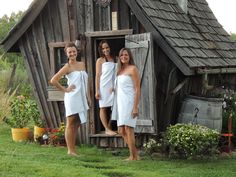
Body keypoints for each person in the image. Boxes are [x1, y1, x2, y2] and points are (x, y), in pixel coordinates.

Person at [50, 42, 90, 157]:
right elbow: (53, 80)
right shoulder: (67, 67)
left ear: (77, 51)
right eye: (70, 52)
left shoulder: (82, 64)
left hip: (82, 98)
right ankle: (70, 150)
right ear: (66, 54)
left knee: (77, 123)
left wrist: (88, 97)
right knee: (71, 123)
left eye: (74, 51)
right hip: (72, 97)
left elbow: (85, 82)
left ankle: (73, 150)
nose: (72, 53)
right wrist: (65, 89)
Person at [112, 48, 141, 161]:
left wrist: (135, 107)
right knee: (121, 131)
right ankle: (135, 154)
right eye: (122, 55)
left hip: (129, 102)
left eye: (126, 55)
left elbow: (137, 89)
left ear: (129, 57)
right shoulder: (119, 70)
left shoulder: (133, 69)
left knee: (128, 129)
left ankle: (132, 156)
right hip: (120, 103)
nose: (124, 57)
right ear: (119, 57)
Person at [95, 40, 117, 135]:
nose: (105, 50)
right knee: (103, 107)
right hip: (103, 86)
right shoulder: (100, 60)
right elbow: (98, 76)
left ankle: (110, 126)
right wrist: (97, 90)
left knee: (115, 106)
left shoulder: (116, 59)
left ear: (110, 47)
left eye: (107, 47)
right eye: (103, 48)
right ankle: (107, 129)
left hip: (114, 86)